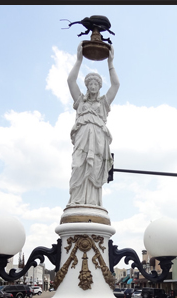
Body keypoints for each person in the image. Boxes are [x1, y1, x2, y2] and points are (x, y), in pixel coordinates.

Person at [66, 41, 120, 207]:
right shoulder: (80, 102)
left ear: (99, 86)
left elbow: (116, 85)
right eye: (90, 84)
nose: (93, 86)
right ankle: (76, 201)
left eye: (96, 84)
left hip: (97, 141)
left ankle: (93, 203)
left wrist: (110, 63)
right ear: (87, 86)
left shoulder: (103, 104)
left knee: (94, 168)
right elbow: (70, 80)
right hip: (82, 139)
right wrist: (79, 60)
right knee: (78, 166)